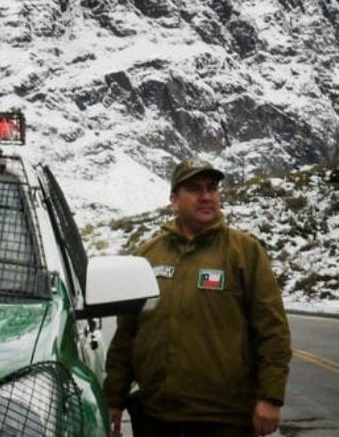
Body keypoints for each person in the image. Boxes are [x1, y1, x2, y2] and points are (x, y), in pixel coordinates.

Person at [104, 159, 292, 437]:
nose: (206, 196)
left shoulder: (244, 252)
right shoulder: (148, 255)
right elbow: (127, 334)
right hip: (156, 417)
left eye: (212, 188)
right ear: (174, 200)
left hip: (224, 420)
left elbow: (272, 331)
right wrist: (113, 399)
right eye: (195, 189)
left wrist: (270, 397)